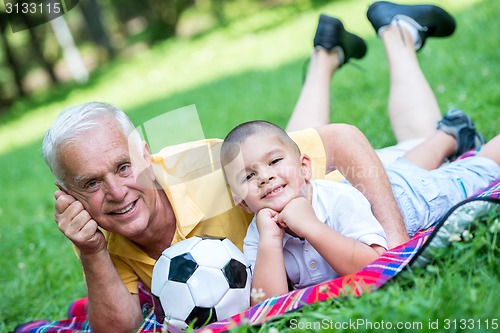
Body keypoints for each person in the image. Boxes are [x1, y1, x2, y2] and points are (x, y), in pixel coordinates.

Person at [35, 1, 478, 332]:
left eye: (124, 167)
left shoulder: (204, 167)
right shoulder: (91, 225)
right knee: (293, 156)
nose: (114, 192)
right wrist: (93, 253)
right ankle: (335, 58)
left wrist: (397, 255)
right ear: (67, 195)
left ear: (145, 154)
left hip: (338, 198)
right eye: (91, 183)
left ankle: (398, 35)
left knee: (397, 161)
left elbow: (339, 141)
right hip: (295, 192)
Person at [220, 120, 499, 305]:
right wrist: (270, 240)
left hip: (411, 201)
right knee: (403, 169)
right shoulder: (258, 234)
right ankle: (450, 132)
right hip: (392, 183)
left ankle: (465, 141)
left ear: (305, 167)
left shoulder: (338, 201)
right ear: (242, 203)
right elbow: (267, 305)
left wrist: (312, 227)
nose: (265, 177)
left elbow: (375, 266)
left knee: (477, 170)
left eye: (275, 161)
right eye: (248, 176)